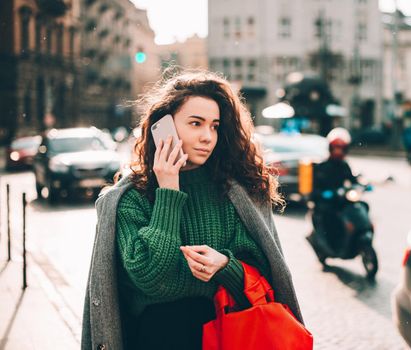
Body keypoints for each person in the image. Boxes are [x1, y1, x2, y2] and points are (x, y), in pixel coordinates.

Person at [81, 69, 304, 350]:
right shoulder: (131, 197)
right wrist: (169, 190)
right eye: (196, 123)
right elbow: (150, 277)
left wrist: (225, 267)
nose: (207, 136)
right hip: (155, 339)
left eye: (214, 125)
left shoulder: (237, 192)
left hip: (227, 334)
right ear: (165, 127)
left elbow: (263, 274)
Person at [308, 127, 359, 258]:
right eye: (336, 148)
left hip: (340, 200)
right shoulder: (321, 167)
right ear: (331, 148)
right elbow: (313, 191)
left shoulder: (344, 165)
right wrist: (324, 194)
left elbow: (352, 180)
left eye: (341, 148)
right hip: (325, 204)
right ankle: (332, 245)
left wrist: (362, 184)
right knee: (332, 218)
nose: (338, 151)